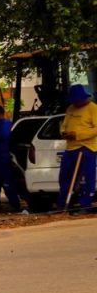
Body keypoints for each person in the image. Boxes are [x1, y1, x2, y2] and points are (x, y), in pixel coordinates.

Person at [58, 84, 97, 212]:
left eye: (77, 100)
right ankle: (64, 203)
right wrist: (64, 132)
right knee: (64, 176)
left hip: (86, 147)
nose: (75, 102)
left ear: (83, 98)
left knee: (86, 177)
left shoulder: (93, 109)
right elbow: (64, 125)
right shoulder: (70, 108)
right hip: (70, 147)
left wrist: (77, 135)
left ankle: (85, 204)